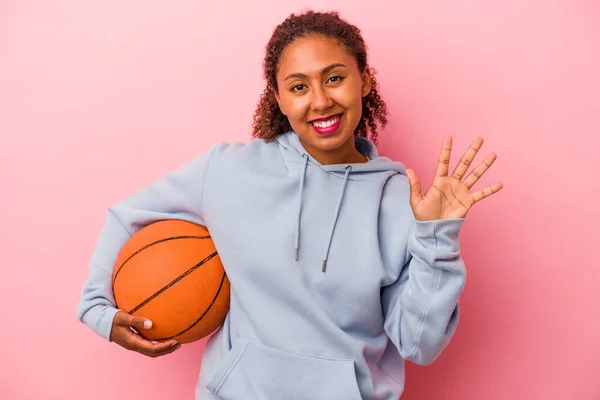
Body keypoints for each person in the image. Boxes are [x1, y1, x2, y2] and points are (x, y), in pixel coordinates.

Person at [76, 9, 503, 400]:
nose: (319, 101)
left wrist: (437, 237)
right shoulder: (228, 171)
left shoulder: (402, 201)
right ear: (279, 98)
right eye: (299, 87)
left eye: (334, 78)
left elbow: (419, 344)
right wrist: (99, 310)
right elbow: (127, 217)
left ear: (364, 80)